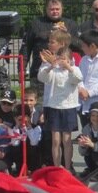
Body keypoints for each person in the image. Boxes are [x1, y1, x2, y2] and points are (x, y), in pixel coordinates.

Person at [37, 29, 82, 169]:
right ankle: (57, 168)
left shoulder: (73, 67)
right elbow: (43, 78)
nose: (49, 44)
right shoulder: (51, 65)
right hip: (53, 106)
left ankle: (68, 168)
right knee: (55, 140)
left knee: (67, 139)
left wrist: (68, 67)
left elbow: (78, 78)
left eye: (52, 42)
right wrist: (50, 65)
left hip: (68, 107)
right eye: (49, 41)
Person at [24, 0, 79, 92]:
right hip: (40, 70)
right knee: (39, 103)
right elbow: (26, 47)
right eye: (52, 9)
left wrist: (67, 35)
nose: (55, 12)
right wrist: (21, 68)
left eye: (57, 9)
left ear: (62, 9)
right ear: (46, 10)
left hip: (64, 72)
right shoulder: (36, 24)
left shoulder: (71, 24)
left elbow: (78, 46)